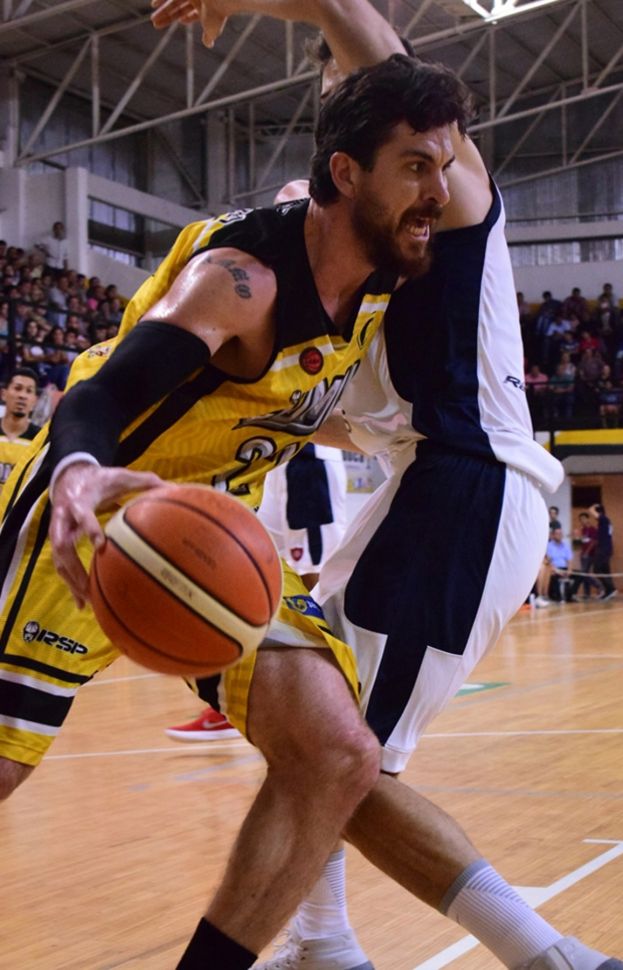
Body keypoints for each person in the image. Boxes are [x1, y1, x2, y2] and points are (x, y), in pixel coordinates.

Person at [152, 4, 621, 970]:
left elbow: (361, 31)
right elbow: (326, 416)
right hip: (421, 489)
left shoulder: (452, 194)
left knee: (337, 754)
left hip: (465, 490)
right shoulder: (355, 266)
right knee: (310, 732)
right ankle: (325, 940)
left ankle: (549, 957)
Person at [0, 51, 467, 970]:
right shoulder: (239, 278)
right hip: (97, 512)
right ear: (347, 174)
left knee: (335, 754)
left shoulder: (383, 269)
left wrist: (377, 435)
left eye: (443, 167)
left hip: (218, 540)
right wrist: (80, 471)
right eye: (416, 166)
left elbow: (279, 401)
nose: (438, 193)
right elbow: (103, 392)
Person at [166, 442, 348, 743]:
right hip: (269, 463)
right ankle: (242, 694)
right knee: (259, 568)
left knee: (313, 573)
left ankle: (330, 692)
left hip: (307, 458)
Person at [0, 368, 40, 494]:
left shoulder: (40, 440)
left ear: (35, 400)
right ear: (3, 394)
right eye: (17, 388)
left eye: (29, 391)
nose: (22, 395)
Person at [570, 511, 601, 601]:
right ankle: (587, 593)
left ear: (588, 519)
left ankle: (599, 586)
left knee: (583, 573)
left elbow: (594, 542)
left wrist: (587, 552)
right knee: (584, 574)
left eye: (584, 519)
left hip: (590, 554)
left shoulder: (593, 529)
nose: (582, 521)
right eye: (581, 520)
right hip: (583, 555)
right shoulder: (582, 530)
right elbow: (579, 543)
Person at [589, 503, 617, 601]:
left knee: (597, 569)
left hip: (603, 549)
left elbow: (590, 510)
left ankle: (611, 589)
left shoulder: (603, 519)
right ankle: (609, 590)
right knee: (605, 570)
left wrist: (594, 506)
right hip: (606, 548)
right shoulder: (606, 521)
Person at [545, 527, 573, 602]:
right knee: (554, 576)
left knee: (580, 576)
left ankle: (570, 595)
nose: (559, 535)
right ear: (553, 535)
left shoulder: (566, 546)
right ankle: (556, 596)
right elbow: (549, 561)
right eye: (557, 534)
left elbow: (569, 561)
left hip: (565, 568)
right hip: (554, 569)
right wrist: (557, 571)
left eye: (561, 533)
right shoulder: (549, 546)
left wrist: (569, 570)